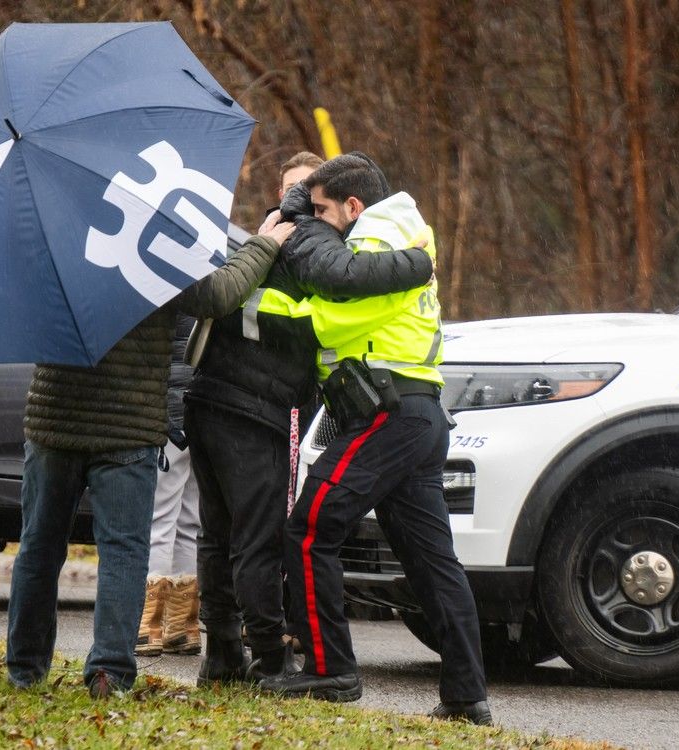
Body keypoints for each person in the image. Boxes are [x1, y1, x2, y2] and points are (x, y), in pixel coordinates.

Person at [5, 219, 294, 699]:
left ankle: (24, 669)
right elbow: (221, 294)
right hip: (127, 425)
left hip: (55, 417)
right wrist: (264, 243)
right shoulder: (153, 241)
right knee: (123, 551)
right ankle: (108, 673)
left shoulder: (55, 230)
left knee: (39, 547)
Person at [184, 153, 434, 686]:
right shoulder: (306, 241)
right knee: (258, 536)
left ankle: (223, 650)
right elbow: (347, 277)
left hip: (211, 398)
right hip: (253, 406)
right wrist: (419, 263)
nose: (310, 212)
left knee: (219, 533)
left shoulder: (260, 239)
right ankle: (271, 655)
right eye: (305, 199)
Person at [258, 155, 491, 724]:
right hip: (413, 415)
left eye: (321, 210)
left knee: (311, 527)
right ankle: (466, 698)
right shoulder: (396, 229)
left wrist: (278, 303)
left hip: (390, 413)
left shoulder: (383, 231)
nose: (315, 221)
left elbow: (340, 308)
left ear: (353, 207)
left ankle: (329, 670)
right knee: (432, 564)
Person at [135, 313, 202, 658]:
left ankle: (148, 625)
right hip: (199, 407)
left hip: (169, 412)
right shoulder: (213, 270)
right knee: (190, 521)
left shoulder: (167, 283)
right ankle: (184, 627)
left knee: (159, 519)